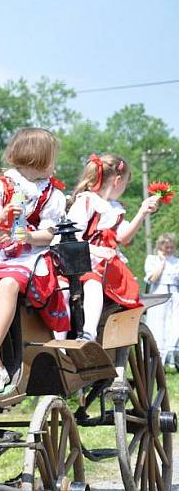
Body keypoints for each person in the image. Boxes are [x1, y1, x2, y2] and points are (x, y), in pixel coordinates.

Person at [0, 127, 68, 393]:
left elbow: (50, 234)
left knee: (7, 285)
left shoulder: (52, 194)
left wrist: (27, 237)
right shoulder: (2, 185)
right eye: (52, 156)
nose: (54, 163)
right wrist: (4, 221)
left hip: (30, 255)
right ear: (39, 157)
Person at [66, 154, 159, 342]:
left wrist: (142, 212)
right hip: (81, 260)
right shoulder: (86, 201)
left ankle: (99, 331)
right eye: (124, 184)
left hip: (104, 263)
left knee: (101, 277)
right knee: (93, 280)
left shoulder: (114, 208)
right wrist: (96, 250)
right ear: (117, 181)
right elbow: (71, 237)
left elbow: (123, 238)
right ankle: (88, 333)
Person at [144, 233, 179, 365]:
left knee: (174, 325)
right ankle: (156, 357)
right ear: (160, 247)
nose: (169, 250)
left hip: (174, 295)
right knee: (157, 324)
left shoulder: (176, 261)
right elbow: (152, 279)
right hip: (158, 294)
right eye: (166, 247)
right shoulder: (152, 259)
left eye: (171, 247)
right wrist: (162, 262)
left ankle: (172, 359)